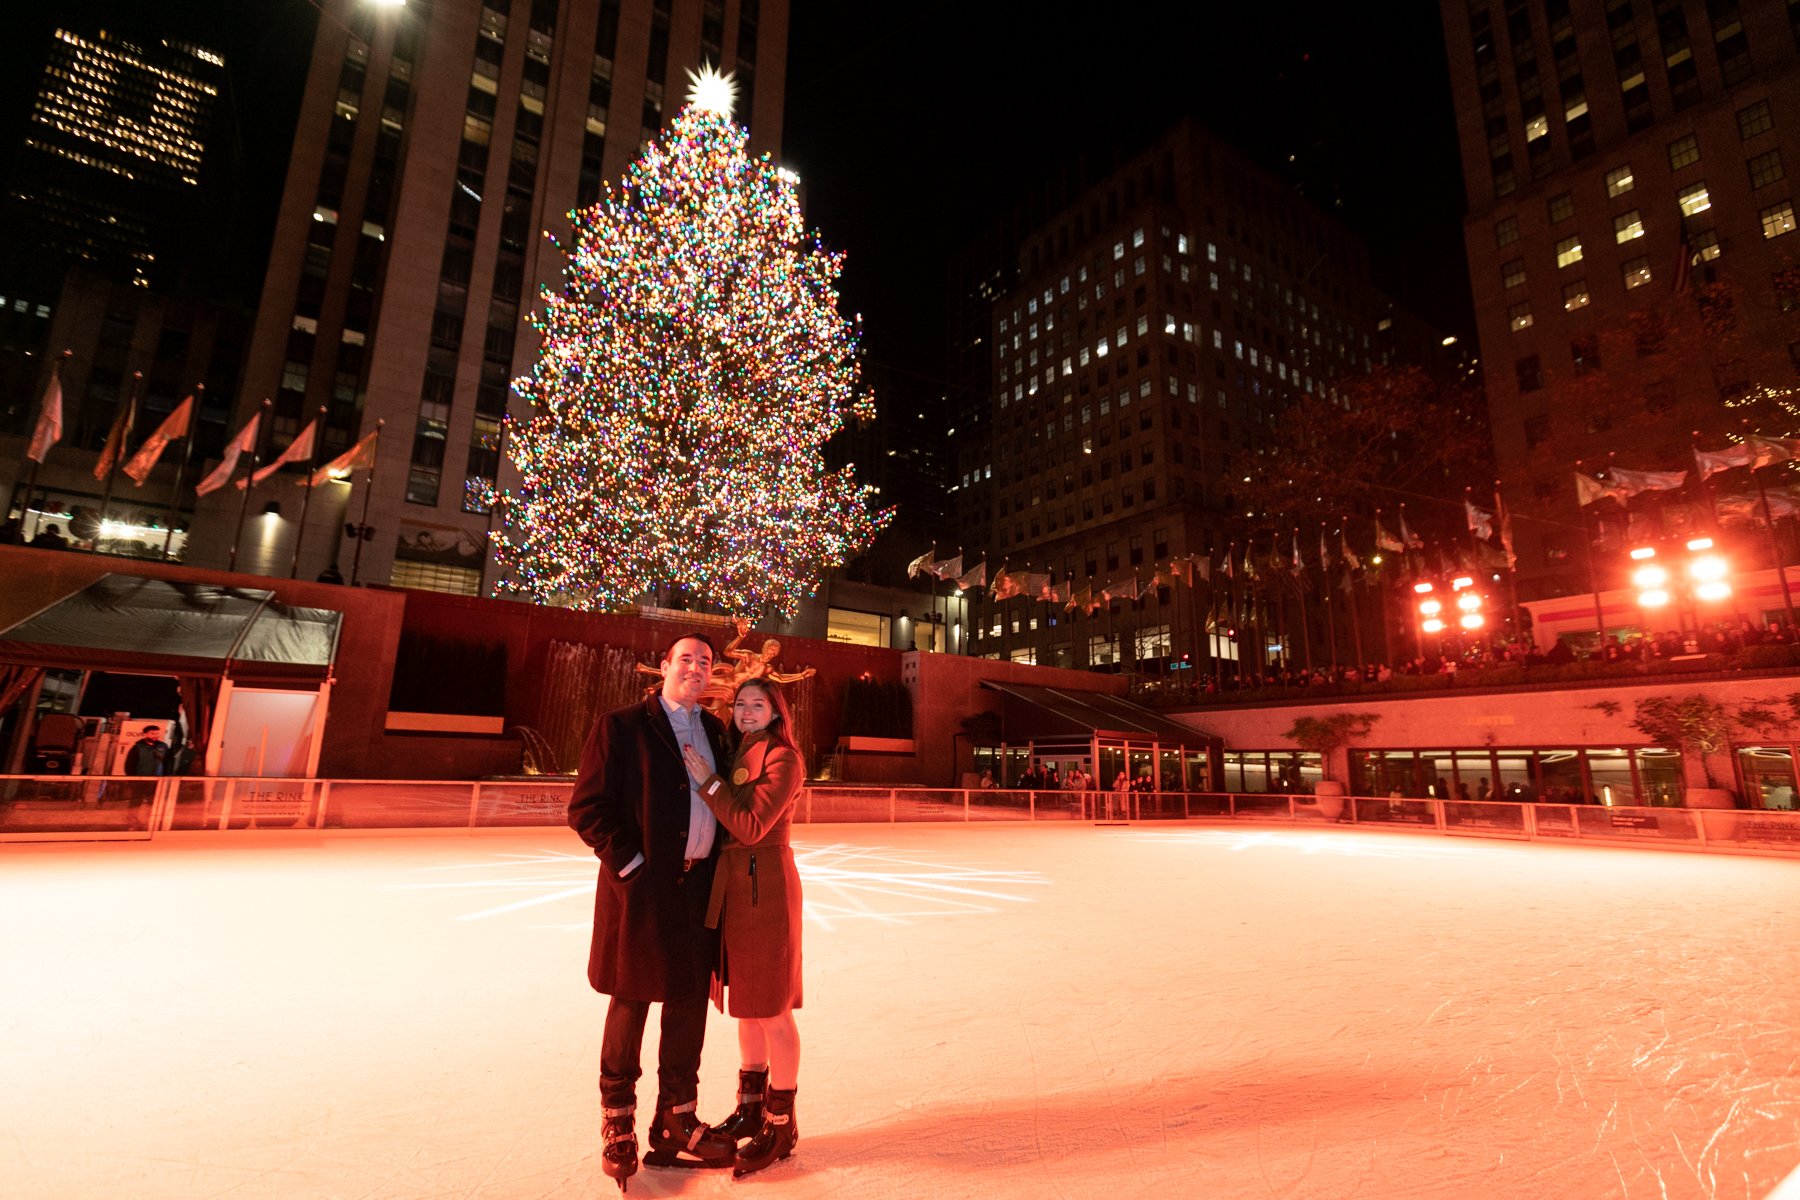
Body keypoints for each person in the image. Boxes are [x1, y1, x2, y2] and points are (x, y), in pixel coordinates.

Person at [567, 633, 736, 1191]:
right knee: (631, 997)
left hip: (698, 890)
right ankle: (619, 1122)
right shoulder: (622, 726)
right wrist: (632, 867)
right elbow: (588, 808)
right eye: (684, 658)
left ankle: (676, 1119)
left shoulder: (716, 731)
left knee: (689, 1003)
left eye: (704, 661)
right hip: (641, 890)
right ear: (664, 667)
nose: (695, 667)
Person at [680, 678, 805, 1178]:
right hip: (737, 888)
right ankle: (750, 1107)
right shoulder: (740, 748)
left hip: (765, 887)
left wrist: (709, 782)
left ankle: (781, 1120)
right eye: (740, 703)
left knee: (770, 1008)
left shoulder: (783, 758)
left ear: (776, 712)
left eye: (758, 703)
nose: (746, 710)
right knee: (747, 1007)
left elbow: (752, 826)